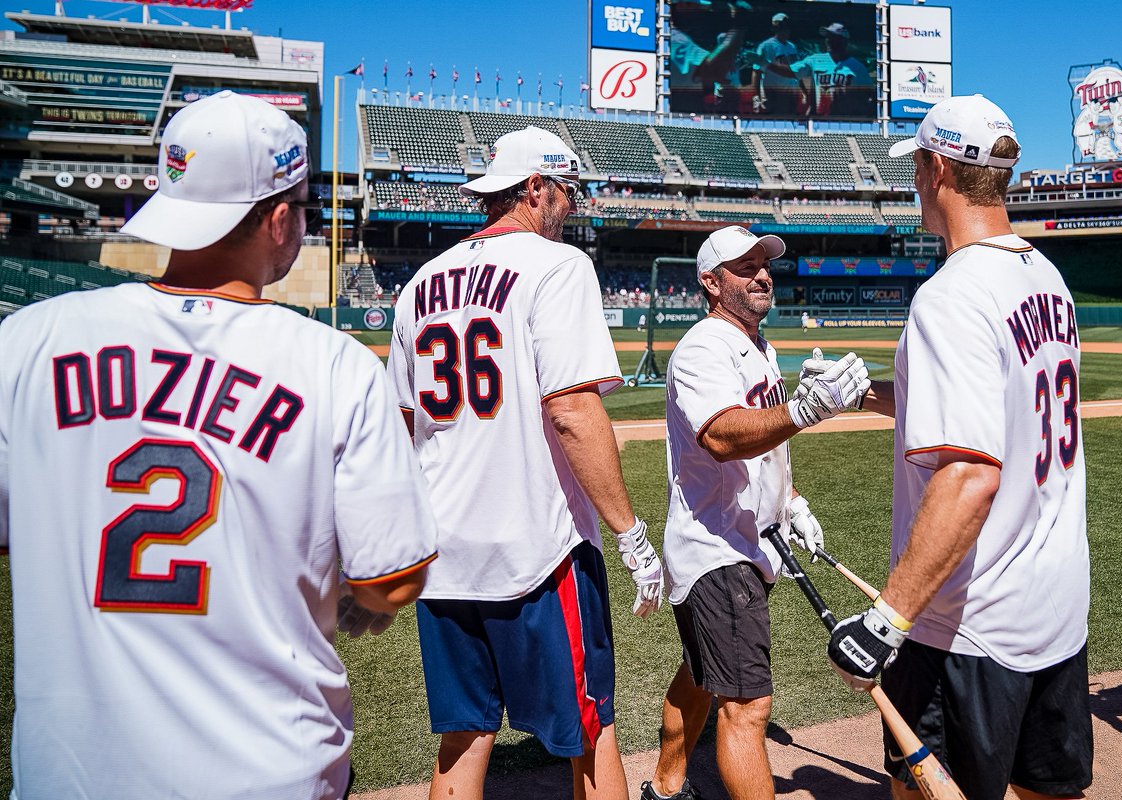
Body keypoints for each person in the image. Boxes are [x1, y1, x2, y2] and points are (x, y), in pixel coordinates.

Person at [0, 91, 437, 798]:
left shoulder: (24, 342)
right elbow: (390, 578)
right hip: (270, 772)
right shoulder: (335, 365)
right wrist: (372, 604)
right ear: (277, 218)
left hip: (68, 777)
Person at [824, 95, 1092, 800]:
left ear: (937, 167)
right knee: (1046, 789)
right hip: (1056, 609)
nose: (914, 180)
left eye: (915, 166)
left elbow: (970, 474)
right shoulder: (1044, 276)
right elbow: (996, 408)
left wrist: (887, 619)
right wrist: (862, 392)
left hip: (968, 630)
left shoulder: (951, 295)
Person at [388, 126, 664, 800]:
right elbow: (571, 410)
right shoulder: (557, 266)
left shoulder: (420, 282)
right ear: (535, 188)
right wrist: (630, 534)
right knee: (591, 730)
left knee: (465, 736)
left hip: (443, 547)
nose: (573, 205)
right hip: (537, 546)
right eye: (568, 190)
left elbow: (401, 425)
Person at [641, 225, 870, 800]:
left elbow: (767, 449)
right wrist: (804, 409)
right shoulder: (702, 348)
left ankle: (666, 787)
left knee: (700, 677)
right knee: (747, 706)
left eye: (764, 264)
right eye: (744, 267)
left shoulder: (759, 349)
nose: (762, 274)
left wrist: (792, 503)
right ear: (711, 283)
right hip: (717, 547)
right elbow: (721, 434)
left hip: (747, 541)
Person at [791, 22, 871, 118]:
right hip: (819, 121)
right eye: (827, 37)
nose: (828, 40)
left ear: (843, 41)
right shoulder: (815, 60)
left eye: (833, 38)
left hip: (846, 122)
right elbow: (791, 71)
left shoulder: (857, 67)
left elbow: (868, 96)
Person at [752, 13, 802, 116]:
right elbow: (756, 72)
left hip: (790, 93)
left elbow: (796, 72)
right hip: (772, 93)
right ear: (774, 28)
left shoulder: (792, 46)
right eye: (781, 27)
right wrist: (757, 96)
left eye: (786, 27)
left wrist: (803, 92)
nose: (785, 30)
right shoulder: (766, 46)